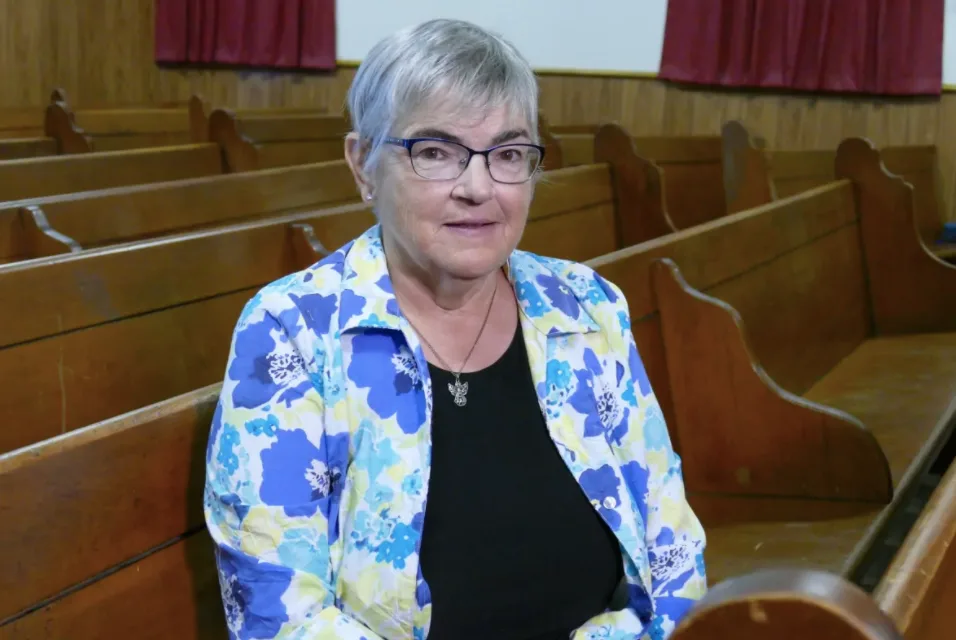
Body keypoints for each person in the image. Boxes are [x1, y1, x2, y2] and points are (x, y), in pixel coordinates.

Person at [204, 18, 706, 640]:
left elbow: (672, 546)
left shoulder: (586, 308)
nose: (477, 188)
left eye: (508, 154)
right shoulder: (293, 333)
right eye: (435, 152)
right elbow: (278, 614)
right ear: (363, 165)